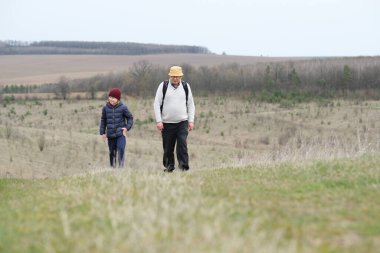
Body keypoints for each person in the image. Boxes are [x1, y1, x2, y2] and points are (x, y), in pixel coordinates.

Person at [153, 66, 195, 172]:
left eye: (177, 76)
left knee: (182, 145)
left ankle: (184, 167)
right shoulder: (163, 86)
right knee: (168, 147)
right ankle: (169, 167)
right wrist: (159, 121)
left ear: (181, 76)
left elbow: (191, 104)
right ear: (170, 76)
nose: (175, 78)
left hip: (182, 122)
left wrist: (191, 121)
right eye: (173, 76)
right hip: (166, 123)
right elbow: (156, 104)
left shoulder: (186, 86)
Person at [100, 88, 133, 168]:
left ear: (118, 99)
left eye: (113, 98)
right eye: (110, 97)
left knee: (121, 149)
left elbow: (130, 118)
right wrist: (103, 133)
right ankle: (112, 168)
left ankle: (121, 168)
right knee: (112, 153)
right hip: (110, 135)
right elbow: (103, 120)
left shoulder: (123, 107)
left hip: (120, 134)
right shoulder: (105, 108)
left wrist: (127, 128)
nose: (111, 99)